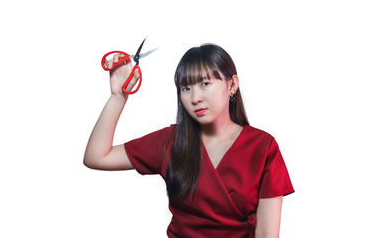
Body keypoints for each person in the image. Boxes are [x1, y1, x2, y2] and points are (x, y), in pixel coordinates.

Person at [83, 43, 295, 238]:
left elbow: (267, 234)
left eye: (205, 83)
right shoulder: (171, 141)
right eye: (186, 88)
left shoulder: (263, 147)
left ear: (232, 85)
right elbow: (96, 156)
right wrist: (118, 96)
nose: (195, 98)